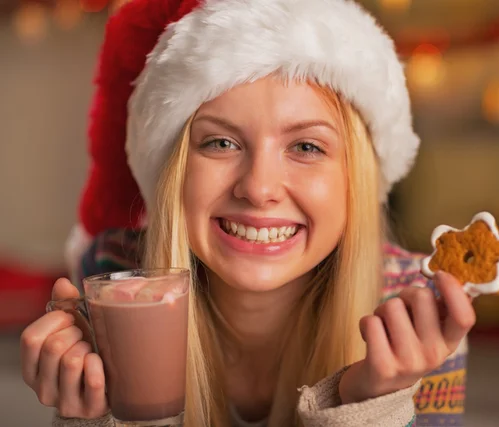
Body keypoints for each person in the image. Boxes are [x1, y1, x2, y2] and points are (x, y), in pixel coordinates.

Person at [20, 0, 473, 426]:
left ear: (356, 180)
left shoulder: (414, 314)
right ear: (175, 169)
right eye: (221, 142)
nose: (258, 189)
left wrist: (369, 406)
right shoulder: (113, 279)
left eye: (306, 147)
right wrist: (98, 417)